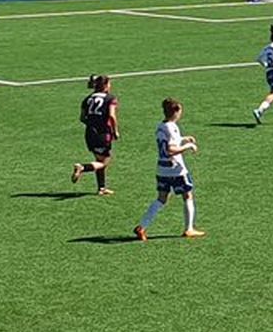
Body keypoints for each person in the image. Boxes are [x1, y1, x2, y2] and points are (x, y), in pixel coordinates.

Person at [135, 98, 202, 240]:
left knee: (161, 198)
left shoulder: (161, 126)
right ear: (176, 111)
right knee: (187, 195)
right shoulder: (171, 127)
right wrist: (188, 146)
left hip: (162, 169)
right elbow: (170, 149)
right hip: (176, 169)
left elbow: (169, 142)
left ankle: (142, 226)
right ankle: (189, 229)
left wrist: (184, 139)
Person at [71, 74, 119, 194]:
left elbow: (82, 118)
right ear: (105, 85)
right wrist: (115, 131)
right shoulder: (110, 98)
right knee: (104, 162)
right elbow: (112, 116)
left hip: (89, 134)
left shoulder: (87, 99)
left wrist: (92, 123)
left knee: (98, 160)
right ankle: (82, 167)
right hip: (103, 134)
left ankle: (101, 188)